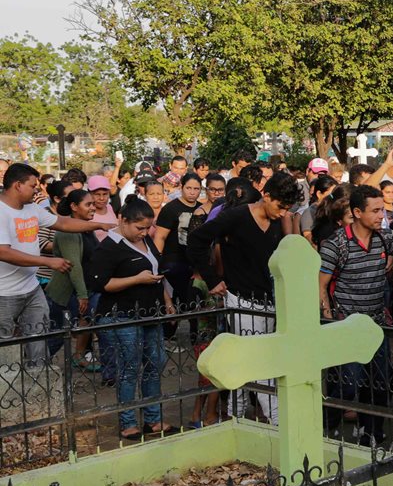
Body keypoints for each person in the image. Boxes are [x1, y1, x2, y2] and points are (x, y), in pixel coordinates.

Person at [187, 173, 303, 423]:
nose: (283, 213)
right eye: (280, 207)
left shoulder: (276, 222)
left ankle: (237, 417)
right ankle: (279, 421)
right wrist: (212, 279)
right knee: (259, 364)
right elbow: (196, 239)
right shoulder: (236, 217)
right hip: (241, 301)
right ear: (267, 196)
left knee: (249, 363)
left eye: (287, 209)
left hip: (269, 302)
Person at [319, 185, 393, 444]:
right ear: (357, 212)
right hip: (346, 325)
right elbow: (321, 284)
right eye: (375, 210)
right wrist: (329, 318)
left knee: (379, 386)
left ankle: (371, 433)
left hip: (376, 324)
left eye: (382, 210)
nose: (381, 215)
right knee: (346, 386)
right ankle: (329, 429)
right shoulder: (335, 244)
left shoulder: (385, 238)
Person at [0, 163, 112, 367]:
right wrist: (46, 261)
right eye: (33, 185)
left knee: (40, 338)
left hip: (31, 288)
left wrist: (98, 224)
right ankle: (8, 392)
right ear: (17, 185)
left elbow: (62, 223)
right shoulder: (1, 211)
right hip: (4, 293)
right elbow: (3, 252)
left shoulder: (32, 208)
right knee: (5, 346)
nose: (37, 189)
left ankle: (38, 383)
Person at [90, 197, 176, 439]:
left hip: (150, 312)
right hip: (122, 315)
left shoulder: (144, 239)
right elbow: (101, 284)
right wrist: (136, 279)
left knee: (154, 363)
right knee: (129, 368)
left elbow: (156, 271)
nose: (144, 232)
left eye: (147, 228)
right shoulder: (109, 247)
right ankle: (128, 422)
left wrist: (167, 301)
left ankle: (153, 419)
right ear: (123, 220)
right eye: (139, 228)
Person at [46, 190, 101, 369]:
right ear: (74, 207)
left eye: (93, 204)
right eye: (88, 204)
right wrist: (82, 294)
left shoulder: (85, 227)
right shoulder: (68, 231)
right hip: (69, 291)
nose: (93, 207)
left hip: (85, 287)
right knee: (58, 335)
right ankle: (34, 366)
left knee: (88, 318)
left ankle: (79, 355)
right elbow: (73, 265)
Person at [154, 172, 204, 320]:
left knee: (195, 304)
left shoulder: (202, 208)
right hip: (174, 261)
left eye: (196, 189)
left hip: (194, 263)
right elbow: (160, 236)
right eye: (189, 188)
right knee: (174, 304)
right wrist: (157, 261)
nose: (192, 192)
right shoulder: (170, 209)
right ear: (181, 187)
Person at [87, 175, 117, 241]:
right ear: (89, 194)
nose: (101, 198)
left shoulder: (109, 207)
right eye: (97, 194)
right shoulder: (86, 212)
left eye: (105, 194)